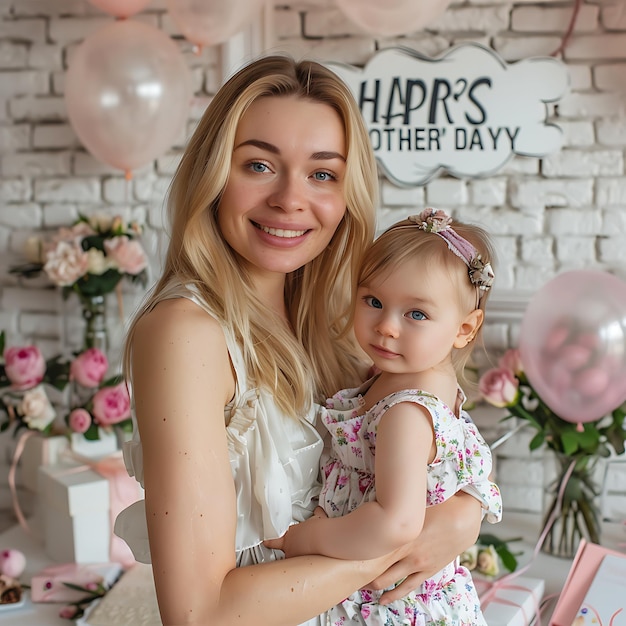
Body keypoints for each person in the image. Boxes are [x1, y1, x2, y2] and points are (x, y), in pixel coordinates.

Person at [113, 54, 484, 626]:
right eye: (259, 165)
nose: (290, 199)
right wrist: (405, 541)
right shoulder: (185, 333)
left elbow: (423, 445)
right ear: (213, 176)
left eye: (321, 173)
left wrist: (466, 512)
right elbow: (198, 614)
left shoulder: (337, 324)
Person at [265, 208, 503, 625]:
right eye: (373, 301)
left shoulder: (407, 411)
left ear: (465, 329)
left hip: (384, 603)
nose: (387, 327)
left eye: (416, 314)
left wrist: (310, 537)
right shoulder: (410, 379)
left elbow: (396, 521)